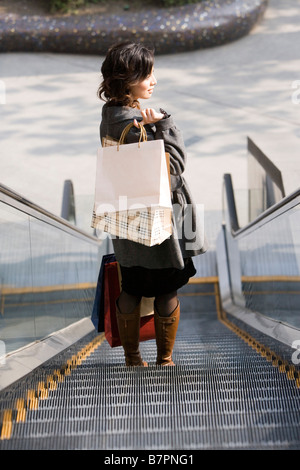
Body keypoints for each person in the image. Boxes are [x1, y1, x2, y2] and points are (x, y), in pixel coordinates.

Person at [97, 42, 207, 367]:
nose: (153, 80)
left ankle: (132, 357)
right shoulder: (136, 125)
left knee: (131, 285)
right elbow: (172, 169)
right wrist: (163, 124)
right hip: (157, 223)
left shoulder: (111, 117)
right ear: (128, 78)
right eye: (147, 73)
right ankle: (165, 359)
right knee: (166, 288)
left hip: (127, 221)